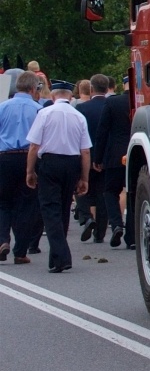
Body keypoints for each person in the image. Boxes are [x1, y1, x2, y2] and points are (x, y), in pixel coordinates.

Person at [25, 81, 92, 273]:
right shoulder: (79, 116)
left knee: (50, 209)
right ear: (71, 96)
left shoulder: (44, 114)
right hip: (72, 163)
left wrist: (30, 171)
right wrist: (84, 178)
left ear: (53, 96)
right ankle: (55, 258)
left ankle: (61, 255)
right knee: (63, 208)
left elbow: (34, 146)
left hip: (50, 163)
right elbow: (85, 151)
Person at [0, 71, 42, 263]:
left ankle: (2, 240)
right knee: (26, 204)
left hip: (4, 157)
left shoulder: (3, 107)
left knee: (3, 202)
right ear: (33, 88)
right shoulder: (38, 109)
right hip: (28, 157)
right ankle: (20, 251)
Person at [95, 78, 132, 248]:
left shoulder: (112, 102)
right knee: (133, 194)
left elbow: (102, 131)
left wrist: (98, 158)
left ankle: (117, 223)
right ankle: (132, 236)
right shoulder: (141, 102)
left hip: (115, 155)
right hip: (136, 154)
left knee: (110, 191)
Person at [76, 74, 113, 243]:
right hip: (106, 157)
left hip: (86, 154)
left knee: (81, 189)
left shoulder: (83, 108)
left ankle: (86, 217)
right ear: (107, 88)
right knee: (102, 194)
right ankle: (100, 233)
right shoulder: (111, 106)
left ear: (91, 89)